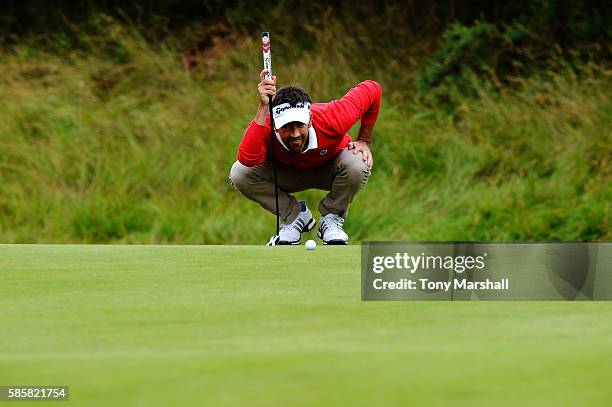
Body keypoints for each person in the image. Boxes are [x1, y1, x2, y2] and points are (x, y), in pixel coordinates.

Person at [230, 69, 382, 245]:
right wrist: (263, 107)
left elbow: (373, 89)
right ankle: (294, 216)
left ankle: (332, 219)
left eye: (300, 125)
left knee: (358, 162)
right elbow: (247, 159)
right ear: (276, 125)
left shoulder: (333, 117)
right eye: (287, 126)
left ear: (310, 120)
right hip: (287, 173)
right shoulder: (266, 124)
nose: (295, 134)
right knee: (239, 173)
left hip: (330, 169)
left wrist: (364, 139)